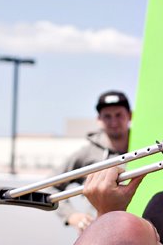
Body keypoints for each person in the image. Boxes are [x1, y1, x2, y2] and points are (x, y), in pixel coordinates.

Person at [53, 90, 132, 232]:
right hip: (100, 234)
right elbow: (49, 186)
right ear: (99, 119)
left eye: (118, 115)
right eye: (107, 116)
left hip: (141, 231)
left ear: (130, 115)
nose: (113, 121)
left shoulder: (145, 145)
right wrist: (73, 216)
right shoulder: (87, 153)